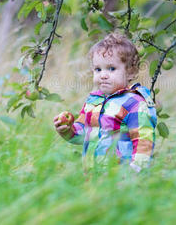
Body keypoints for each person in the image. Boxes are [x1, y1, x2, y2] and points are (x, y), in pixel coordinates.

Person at [53, 32, 157, 173]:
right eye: (98, 69)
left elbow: (143, 142)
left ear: (131, 72)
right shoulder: (93, 101)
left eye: (111, 68)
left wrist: (134, 174)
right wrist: (68, 131)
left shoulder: (135, 103)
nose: (103, 75)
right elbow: (83, 132)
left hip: (121, 178)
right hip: (92, 176)